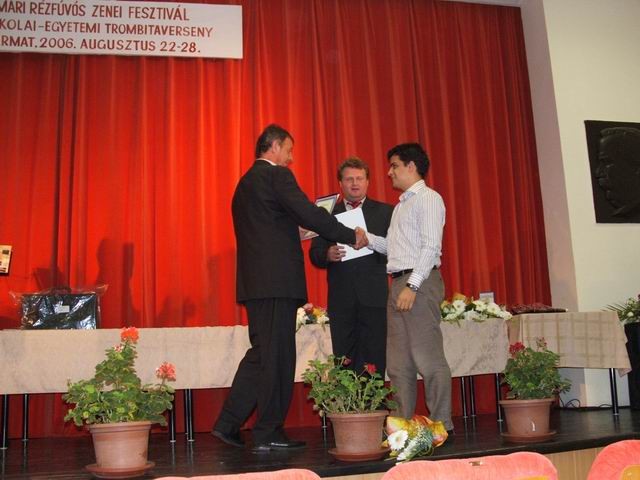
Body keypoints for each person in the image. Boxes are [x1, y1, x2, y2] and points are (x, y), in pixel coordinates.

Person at [212, 124, 367, 452]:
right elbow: (308, 212)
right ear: (273, 147)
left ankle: (228, 423)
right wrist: (349, 234)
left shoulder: (244, 184)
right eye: (288, 150)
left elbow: (268, 226)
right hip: (277, 282)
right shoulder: (276, 175)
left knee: (263, 353)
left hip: (256, 283)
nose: (291, 158)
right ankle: (268, 431)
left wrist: (291, 231)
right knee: (277, 357)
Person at [364, 142, 453, 432]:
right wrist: (367, 239)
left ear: (411, 166)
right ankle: (401, 427)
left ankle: (442, 425)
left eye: (394, 166)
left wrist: (412, 285)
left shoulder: (428, 199)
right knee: (398, 364)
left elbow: (431, 247)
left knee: (429, 359)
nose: (389, 172)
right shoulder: (403, 205)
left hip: (418, 282)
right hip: (400, 282)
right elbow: (395, 249)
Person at [309, 157, 393, 375]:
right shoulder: (326, 214)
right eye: (349, 179)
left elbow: (396, 250)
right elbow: (314, 254)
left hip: (374, 297)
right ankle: (346, 399)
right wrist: (327, 254)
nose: (354, 183)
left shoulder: (386, 212)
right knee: (343, 358)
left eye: (359, 178)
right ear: (340, 183)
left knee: (374, 356)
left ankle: (373, 398)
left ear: (368, 182)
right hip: (341, 298)